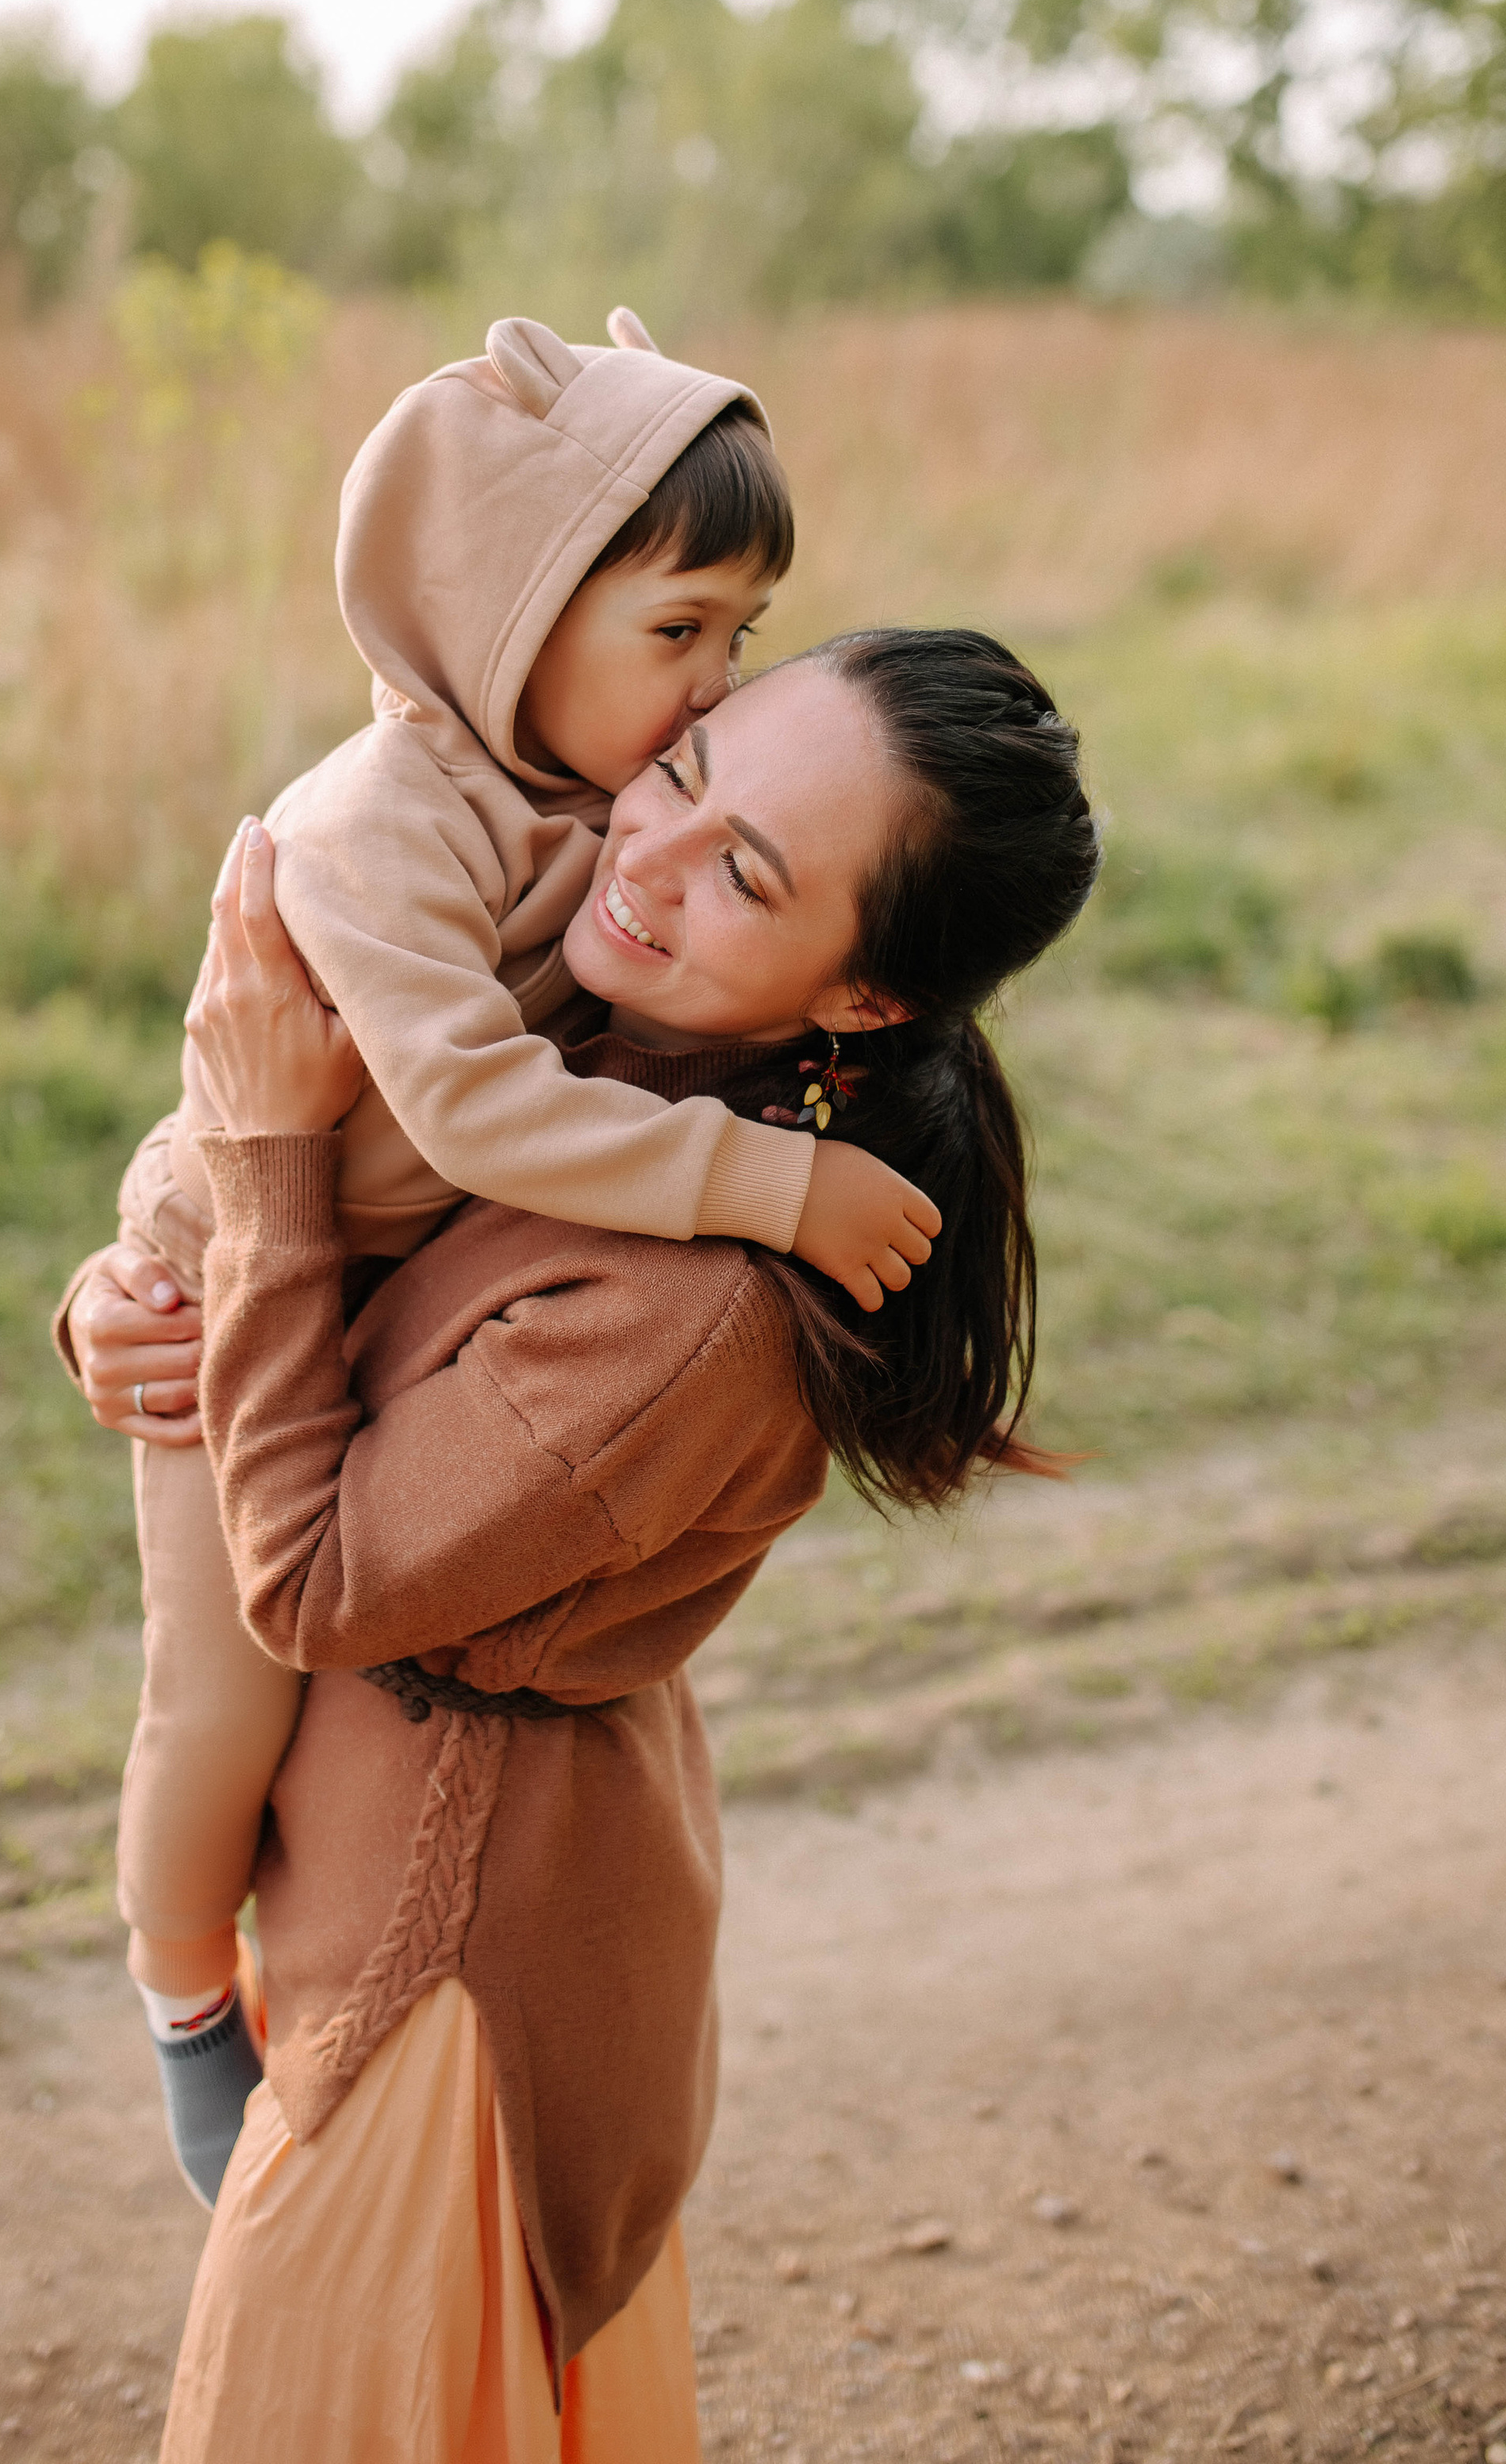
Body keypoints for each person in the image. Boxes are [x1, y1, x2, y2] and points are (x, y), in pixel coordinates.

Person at [64, 625, 1101, 2458]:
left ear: (864, 999)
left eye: (745, 876)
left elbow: (308, 1576)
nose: (648, 856)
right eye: (680, 773)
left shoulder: (691, 1307)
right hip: (406, 1885)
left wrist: (264, 1160)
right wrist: (125, 1312)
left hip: (451, 1966)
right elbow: (329, 1294)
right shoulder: (565, 1054)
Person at [55, 311, 939, 2205]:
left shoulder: (581, 801)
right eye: (675, 631)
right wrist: (769, 1184)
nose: (708, 696)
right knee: (215, 1704)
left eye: (739, 636)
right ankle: (180, 1987)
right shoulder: (379, 821)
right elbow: (463, 1110)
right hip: (227, 1259)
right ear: (512, 612)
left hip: (351, 1259)